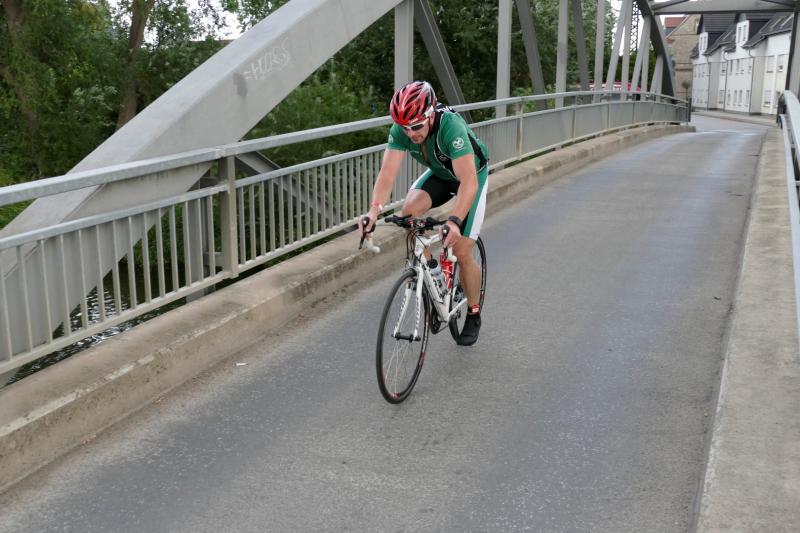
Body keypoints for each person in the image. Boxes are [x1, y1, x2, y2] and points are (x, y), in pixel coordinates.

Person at [360, 81, 489, 346]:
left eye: (417, 126)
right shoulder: (403, 129)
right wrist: (373, 212)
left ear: (430, 115)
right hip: (441, 175)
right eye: (404, 128)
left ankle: (474, 312)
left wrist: (454, 221)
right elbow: (387, 173)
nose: (411, 133)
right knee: (408, 212)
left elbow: (468, 182)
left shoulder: (450, 126)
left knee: (462, 250)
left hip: (470, 177)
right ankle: (433, 275)